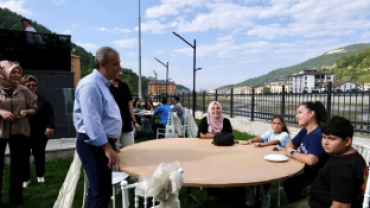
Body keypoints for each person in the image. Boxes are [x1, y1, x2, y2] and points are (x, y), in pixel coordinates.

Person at [280, 116, 369, 208]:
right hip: (319, 197)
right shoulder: (353, 156)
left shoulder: (342, 168)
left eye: (331, 138)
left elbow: (340, 206)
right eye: (324, 137)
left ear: (347, 141)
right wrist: (313, 186)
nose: (325, 142)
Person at [73, 46, 122, 208]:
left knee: (99, 192)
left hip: (101, 143)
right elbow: (92, 121)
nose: (119, 68)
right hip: (94, 145)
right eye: (115, 64)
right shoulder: (91, 85)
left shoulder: (102, 84)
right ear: (102, 65)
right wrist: (107, 147)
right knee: (100, 193)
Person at [0, 61, 37, 206]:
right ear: (3, 72)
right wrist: (1, 111)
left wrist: (27, 112)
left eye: (18, 72)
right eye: (12, 72)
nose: (16, 75)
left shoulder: (24, 90)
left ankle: (15, 198)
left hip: (19, 130)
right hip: (0, 131)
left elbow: (34, 108)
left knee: (18, 165)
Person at [283, 101, 330, 203]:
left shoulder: (317, 135)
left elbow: (311, 160)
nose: (296, 116)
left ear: (311, 114)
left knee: (294, 190)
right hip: (310, 174)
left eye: (300, 113)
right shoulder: (305, 131)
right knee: (288, 183)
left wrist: (291, 153)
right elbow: (289, 144)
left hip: (322, 179)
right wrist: (291, 150)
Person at [241, 114, 290, 208]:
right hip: (267, 157)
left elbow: (276, 142)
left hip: (277, 161)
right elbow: (261, 138)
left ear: (283, 125)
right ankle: (253, 194)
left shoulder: (284, 134)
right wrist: (252, 140)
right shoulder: (270, 132)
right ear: (271, 124)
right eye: (274, 123)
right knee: (251, 167)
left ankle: (266, 196)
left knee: (266, 173)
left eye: (279, 123)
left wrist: (263, 145)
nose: (276, 125)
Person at [20, 75, 55, 187]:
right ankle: (26, 179)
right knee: (23, 155)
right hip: (23, 132)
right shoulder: (18, 100)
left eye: (33, 85)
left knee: (39, 154)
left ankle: (40, 176)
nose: (31, 87)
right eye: (28, 85)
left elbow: (50, 114)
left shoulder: (43, 101)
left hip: (39, 132)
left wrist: (50, 127)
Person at [109, 70, 141, 149]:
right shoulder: (107, 87)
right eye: (118, 72)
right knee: (115, 152)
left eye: (121, 71)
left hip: (126, 125)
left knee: (131, 150)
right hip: (112, 126)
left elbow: (129, 105)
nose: (120, 73)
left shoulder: (124, 86)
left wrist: (135, 122)